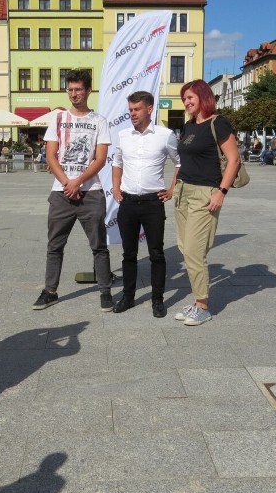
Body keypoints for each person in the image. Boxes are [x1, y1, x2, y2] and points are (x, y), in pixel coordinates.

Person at [32, 69, 113, 312]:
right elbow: (50, 155)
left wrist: (78, 182)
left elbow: (100, 159)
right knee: (54, 245)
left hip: (91, 192)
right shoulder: (57, 119)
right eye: (70, 90)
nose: (74, 94)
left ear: (89, 91)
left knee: (99, 245)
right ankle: (50, 292)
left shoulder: (99, 121)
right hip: (61, 192)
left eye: (78, 89)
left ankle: (105, 291)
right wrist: (68, 182)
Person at [173, 79, 241, 326]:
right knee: (185, 247)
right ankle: (196, 301)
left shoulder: (218, 123)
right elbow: (183, 162)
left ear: (204, 97)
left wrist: (221, 192)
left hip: (205, 193)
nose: (187, 102)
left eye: (190, 97)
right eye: (184, 99)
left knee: (194, 250)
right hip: (183, 192)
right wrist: (174, 187)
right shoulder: (189, 126)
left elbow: (233, 160)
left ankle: (202, 305)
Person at [111, 91, 180, 318]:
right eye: (130, 109)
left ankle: (157, 300)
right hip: (128, 203)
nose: (132, 114)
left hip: (152, 203)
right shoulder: (123, 136)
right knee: (128, 254)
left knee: (156, 253)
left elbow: (180, 163)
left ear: (149, 109)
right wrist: (116, 186)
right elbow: (117, 162)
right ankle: (128, 297)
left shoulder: (165, 135)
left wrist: (172, 189)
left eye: (136, 109)